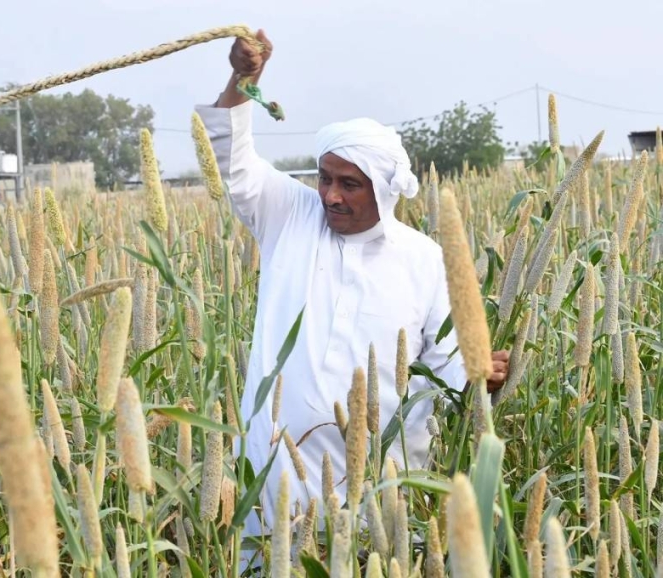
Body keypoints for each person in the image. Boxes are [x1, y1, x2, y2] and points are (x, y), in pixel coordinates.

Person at [193, 29, 509, 555]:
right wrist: (241, 80)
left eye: (349, 184)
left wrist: (482, 376)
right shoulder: (289, 216)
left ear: (383, 191)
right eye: (324, 178)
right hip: (274, 479)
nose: (331, 196)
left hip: (380, 492)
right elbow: (229, 161)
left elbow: (447, 369)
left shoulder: (425, 259)